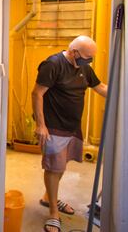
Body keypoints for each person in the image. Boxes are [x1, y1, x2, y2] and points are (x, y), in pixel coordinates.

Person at [31, 35, 107, 232]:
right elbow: (37, 93)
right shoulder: (53, 64)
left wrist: (125, 92)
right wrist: (41, 125)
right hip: (54, 126)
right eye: (86, 57)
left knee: (62, 165)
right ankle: (54, 213)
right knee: (54, 168)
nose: (89, 61)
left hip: (72, 127)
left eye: (91, 58)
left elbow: (100, 87)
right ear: (73, 52)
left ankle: (49, 197)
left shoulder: (84, 68)